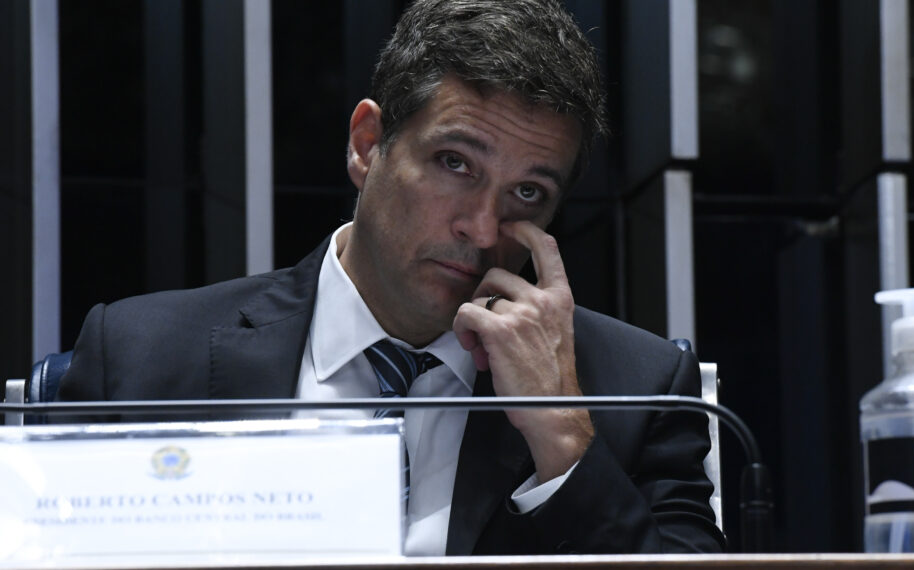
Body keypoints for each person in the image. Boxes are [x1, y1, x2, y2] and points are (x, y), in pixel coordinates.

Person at [56, 0, 725, 556]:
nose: (484, 229)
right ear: (368, 143)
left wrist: (563, 439)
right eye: (454, 163)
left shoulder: (636, 392)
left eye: (527, 194)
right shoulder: (141, 357)